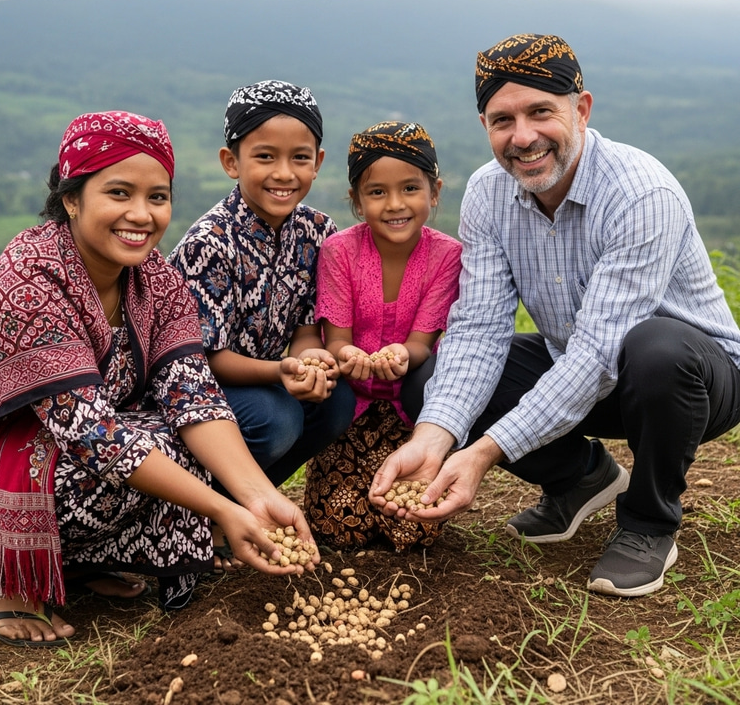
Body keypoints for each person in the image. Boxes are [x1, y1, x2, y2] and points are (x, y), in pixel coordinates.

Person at [370, 33, 740, 597]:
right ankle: (580, 479)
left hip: (689, 383)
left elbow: (600, 354)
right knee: (431, 377)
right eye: (503, 120)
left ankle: (648, 523)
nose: (523, 137)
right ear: (484, 126)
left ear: (581, 110)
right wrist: (434, 437)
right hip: (581, 369)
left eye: (541, 112)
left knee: (655, 347)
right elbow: (479, 330)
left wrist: (483, 454)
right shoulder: (488, 193)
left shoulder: (640, 194)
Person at [0, 111, 318, 648]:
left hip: (60, 448)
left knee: (184, 441)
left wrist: (256, 497)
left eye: (157, 197)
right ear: (72, 199)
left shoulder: (153, 277)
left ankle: (76, 561)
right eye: (119, 193)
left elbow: (194, 394)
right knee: (123, 461)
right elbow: (93, 436)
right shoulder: (30, 277)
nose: (141, 215)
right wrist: (221, 509)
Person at [168, 80, 356, 565]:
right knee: (278, 418)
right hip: (201, 395)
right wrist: (280, 372)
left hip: (269, 381)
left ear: (318, 161)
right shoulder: (210, 243)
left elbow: (305, 331)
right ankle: (201, 517)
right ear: (231, 162)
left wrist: (310, 362)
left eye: (300, 158)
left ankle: (247, 507)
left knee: (337, 401)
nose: (284, 173)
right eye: (265, 157)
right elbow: (205, 359)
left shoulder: (317, 231)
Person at [303, 121, 462, 550]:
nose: (395, 204)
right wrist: (348, 355)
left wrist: (402, 355)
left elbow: (422, 344)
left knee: (414, 529)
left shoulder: (447, 255)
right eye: (377, 192)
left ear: (434, 192)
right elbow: (336, 340)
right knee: (340, 530)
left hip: (414, 412)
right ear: (357, 200)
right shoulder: (340, 251)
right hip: (349, 410)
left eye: (410, 188)